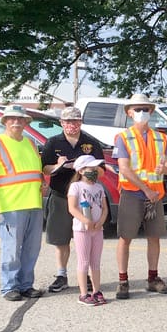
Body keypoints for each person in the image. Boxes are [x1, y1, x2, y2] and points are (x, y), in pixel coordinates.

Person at [0, 104, 45, 301]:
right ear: (5, 121)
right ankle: (9, 287)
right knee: (11, 250)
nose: (16, 122)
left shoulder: (30, 143)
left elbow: (35, 170)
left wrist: (42, 184)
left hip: (34, 203)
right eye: (11, 119)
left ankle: (26, 285)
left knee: (32, 249)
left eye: (20, 119)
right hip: (10, 205)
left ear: (26, 122)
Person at [113, 93, 167, 300]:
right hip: (132, 193)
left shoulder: (161, 138)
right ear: (129, 113)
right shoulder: (123, 137)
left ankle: (153, 278)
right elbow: (124, 168)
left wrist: (164, 168)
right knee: (125, 237)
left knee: (154, 237)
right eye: (137, 109)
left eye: (145, 109)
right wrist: (145, 189)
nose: (142, 113)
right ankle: (123, 281)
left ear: (151, 112)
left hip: (155, 195)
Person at [40, 107, 106, 293]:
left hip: (86, 199)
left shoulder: (90, 143)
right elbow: (45, 168)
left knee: (84, 237)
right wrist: (59, 165)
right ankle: (61, 275)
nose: (72, 125)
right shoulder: (53, 142)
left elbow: (102, 169)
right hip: (61, 196)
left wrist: (86, 168)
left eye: (76, 121)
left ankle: (84, 274)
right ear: (61, 123)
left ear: (81, 122)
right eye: (68, 122)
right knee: (61, 239)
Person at [67, 155, 109, 306]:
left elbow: (104, 208)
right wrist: (86, 220)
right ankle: (84, 293)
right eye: (91, 168)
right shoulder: (76, 186)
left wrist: (101, 222)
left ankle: (96, 290)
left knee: (95, 262)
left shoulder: (99, 187)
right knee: (84, 261)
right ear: (82, 170)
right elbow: (72, 207)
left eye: (96, 168)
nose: (95, 171)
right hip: (82, 229)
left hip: (98, 229)